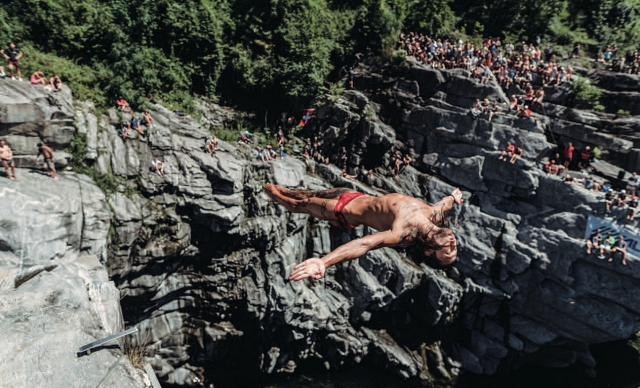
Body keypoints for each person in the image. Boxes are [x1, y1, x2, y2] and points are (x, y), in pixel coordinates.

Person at [263, 184, 464, 280]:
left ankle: (265, 189)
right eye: (454, 249)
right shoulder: (434, 216)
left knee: (296, 204)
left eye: (448, 251)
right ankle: (268, 185)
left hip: (342, 211)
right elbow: (443, 204)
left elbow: (363, 244)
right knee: (301, 194)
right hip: (355, 195)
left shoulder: (402, 233)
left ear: (429, 252)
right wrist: (453, 198)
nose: (453, 244)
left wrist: (323, 262)